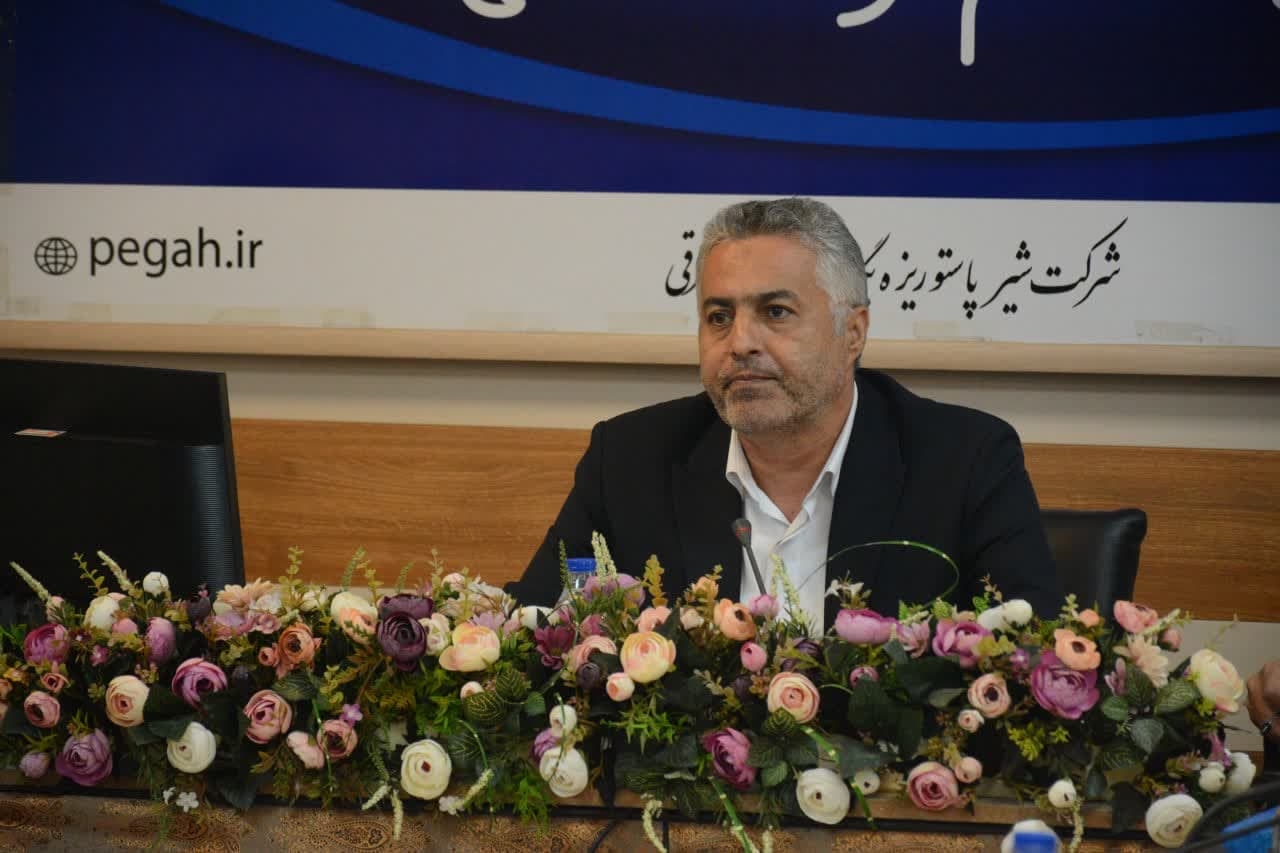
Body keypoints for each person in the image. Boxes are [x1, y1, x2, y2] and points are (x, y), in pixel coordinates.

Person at [507, 197, 1060, 630]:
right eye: (719, 316)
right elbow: (538, 628)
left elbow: (1027, 655)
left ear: (853, 332)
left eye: (775, 312)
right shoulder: (629, 460)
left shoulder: (965, 461)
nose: (740, 342)